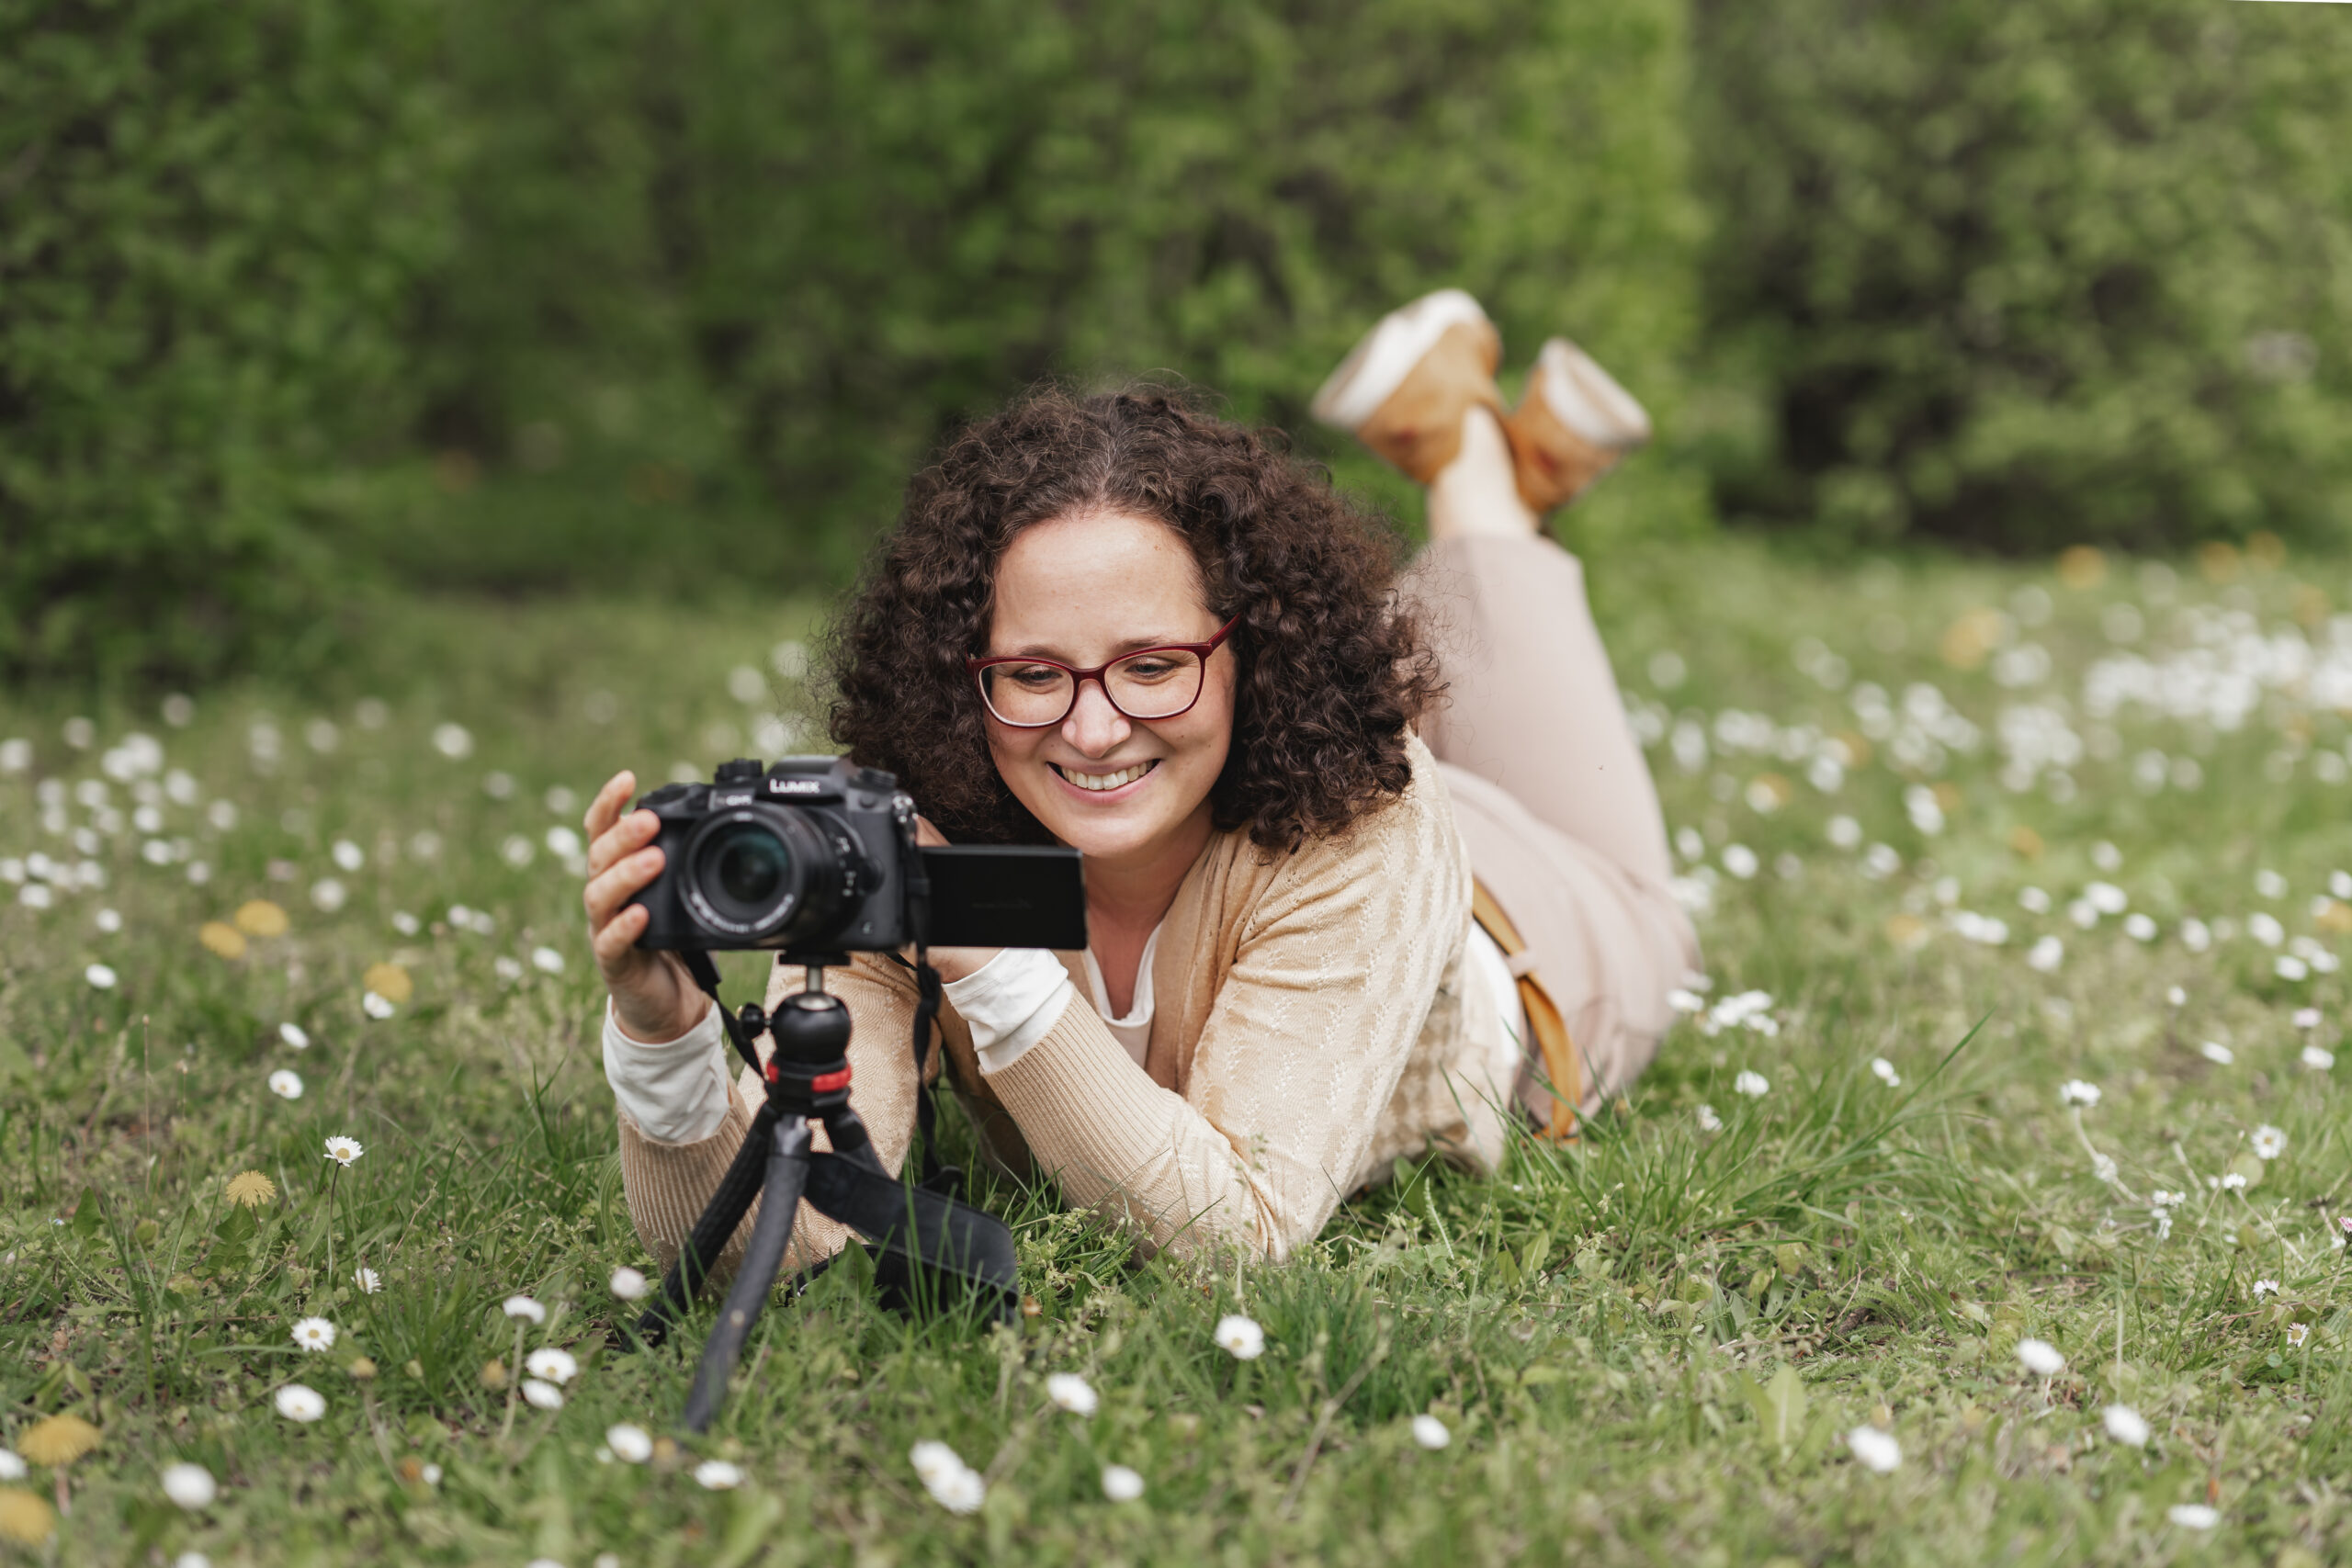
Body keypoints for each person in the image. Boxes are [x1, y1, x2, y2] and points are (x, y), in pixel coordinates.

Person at [580, 288, 1697, 1274]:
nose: (1096, 727)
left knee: (1494, 643)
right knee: (1456, 649)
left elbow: (1237, 1229)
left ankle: (1476, 465)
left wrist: (988, 963)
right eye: (1032, 673)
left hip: (1538, 927)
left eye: (1152, 665)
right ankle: (1499, 448)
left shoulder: (1368, 811)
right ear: (960, 680)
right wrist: (663, 1036)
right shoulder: (898, 833)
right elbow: (786, 1242)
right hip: (1308, 829)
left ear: (1251, 651)